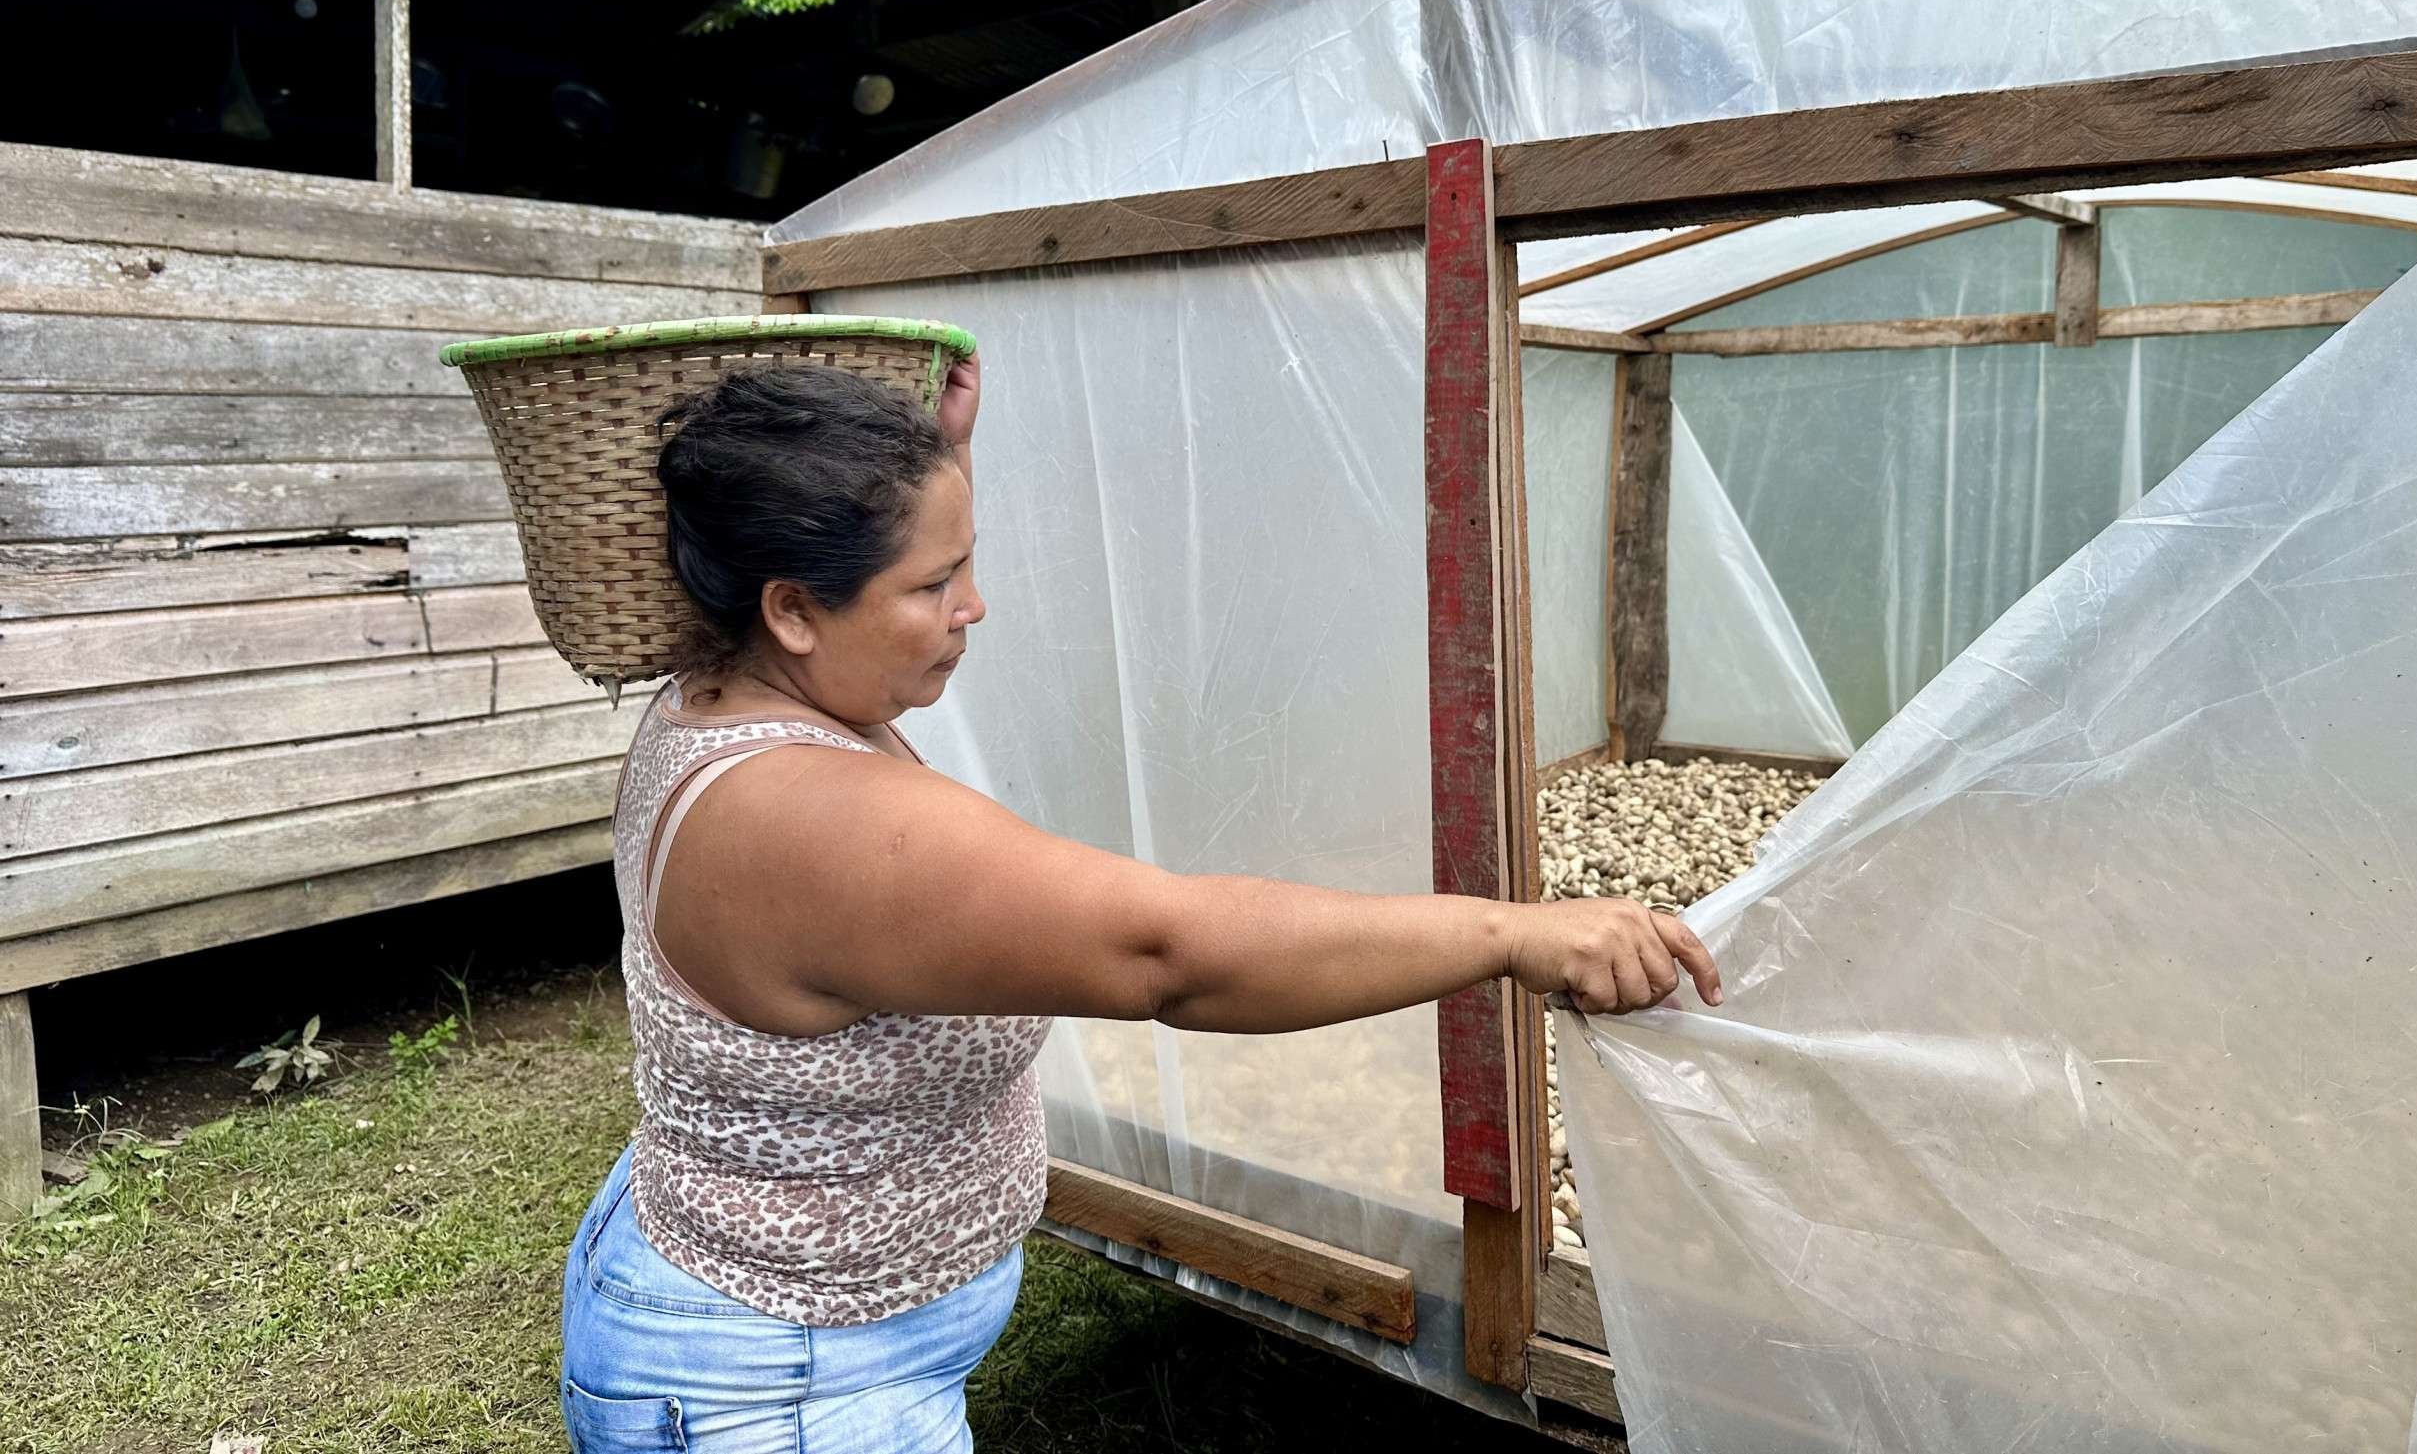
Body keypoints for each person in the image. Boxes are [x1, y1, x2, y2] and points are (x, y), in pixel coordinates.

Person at [560, 352, 1721, 1453]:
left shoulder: (731, 681)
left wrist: (932, 475)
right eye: (934, 582)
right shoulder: (808, 820)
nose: (975, 606)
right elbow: (1173, 954)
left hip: (773, 1298)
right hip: (780, 1381)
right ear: (793, 609)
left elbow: (838, 565)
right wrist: (1515, 931)